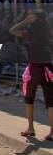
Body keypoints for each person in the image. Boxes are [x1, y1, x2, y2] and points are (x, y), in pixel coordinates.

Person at [10, 9, 53, 140]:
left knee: (29, 99)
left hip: (34, 69)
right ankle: (52, 132)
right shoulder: (48, 33)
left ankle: (30, 128)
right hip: (48, 69)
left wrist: (24, 21)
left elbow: (11, 30)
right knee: (51, 102)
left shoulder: (29, 33)